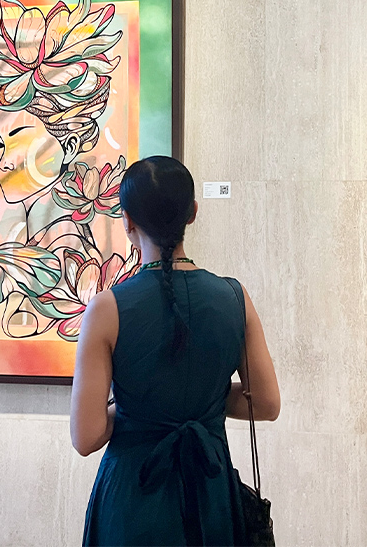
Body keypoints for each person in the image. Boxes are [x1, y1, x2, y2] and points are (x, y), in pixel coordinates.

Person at [70, 156, 281, 546]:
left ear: (128, 220)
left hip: (133, 498)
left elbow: (87, 436)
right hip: (211, 494)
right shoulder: (235, 297)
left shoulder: (106, 309)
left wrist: (137, 405)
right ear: (193, 214)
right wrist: (208, 401)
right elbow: (265, 404)